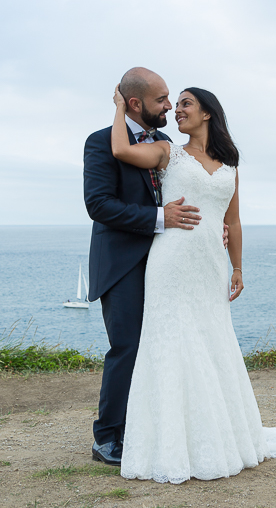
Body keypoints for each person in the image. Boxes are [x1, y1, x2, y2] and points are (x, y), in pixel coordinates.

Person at [110, 85, 276, 483]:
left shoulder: (230, 166)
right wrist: (121, 107)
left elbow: (233, 221)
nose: (176, 111)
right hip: (171, 263)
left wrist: (237, 268)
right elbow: (121, 150)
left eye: (186, 104)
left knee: (212, 342)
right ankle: (169, 444)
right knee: (171, 343)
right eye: (176, 105)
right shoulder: (167, 153)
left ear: (208, 113)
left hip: (209, 267)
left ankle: (218, 434)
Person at [83, 67, 210, 466]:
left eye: (172, 98)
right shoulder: (101, 142)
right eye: (162, 100)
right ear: (134, 104)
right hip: (122, 263)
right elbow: (98, 205)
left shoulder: (167, 142)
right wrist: (160, 219)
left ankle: (149, 429)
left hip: (165, 263)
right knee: (128, 347)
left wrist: (213, 230)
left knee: (162, 345)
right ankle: (107, 439)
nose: (170, 107)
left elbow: (186, 197)